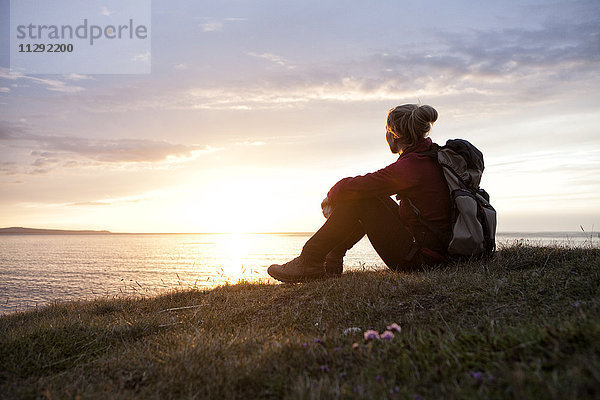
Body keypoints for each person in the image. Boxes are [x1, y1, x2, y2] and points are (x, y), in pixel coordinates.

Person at [267, 104, 452, 283]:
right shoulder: (431, 156)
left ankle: (310, 259)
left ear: (395, 134)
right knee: (367, 196)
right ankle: (330, 261)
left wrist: (331, 197)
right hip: (439, 253)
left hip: (423, 262)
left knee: (362, 199)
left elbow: (357, 186)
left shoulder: (411, 167)